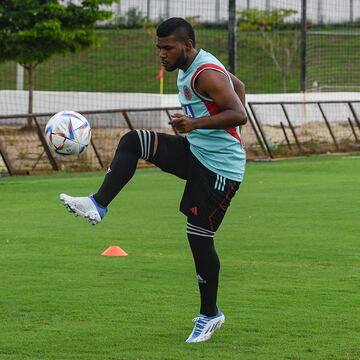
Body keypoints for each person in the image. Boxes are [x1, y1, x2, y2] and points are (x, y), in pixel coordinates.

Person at [60, 17, 247, 343]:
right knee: (135, 141)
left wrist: (196, 124)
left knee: (198, 237)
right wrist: (196, 127)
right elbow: (240, 88)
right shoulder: (198, 66)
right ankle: (98, 203)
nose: (161, 54)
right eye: (158, 47)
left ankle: (210, 315)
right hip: (197, 152)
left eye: (167, 48)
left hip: (220, 168)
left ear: (187, 46)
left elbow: (239, 112)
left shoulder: (207, 74)